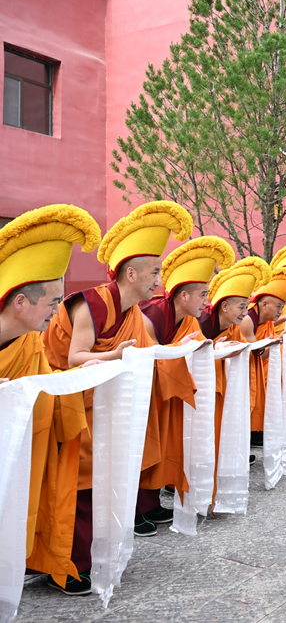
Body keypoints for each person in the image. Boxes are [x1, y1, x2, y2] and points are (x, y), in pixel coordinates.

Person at [42, 201, 193, 573]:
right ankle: (66, 562)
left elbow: (147, 352)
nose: (160, 281)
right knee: (77, 482)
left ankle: (88, 556)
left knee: (100, 479)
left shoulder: (132, 315)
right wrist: (119, 356)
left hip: (101, 405)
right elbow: (77, 356)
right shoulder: (90, 304)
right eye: (155, 272)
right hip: (64, 401)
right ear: (130, 273)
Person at [0, 204, 100, 596]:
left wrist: (85, 379)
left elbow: (44, 390)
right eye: (53, 302)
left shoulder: (29, 342)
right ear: (21, 302)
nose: (59, 312)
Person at [139, 236, 234, 519]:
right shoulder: (149, 316)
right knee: (147, 444)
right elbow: (149, 355)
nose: (207, 302)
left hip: (167, 392)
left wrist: (216, 348)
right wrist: (179, 349)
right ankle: (135, 510)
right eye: (203, 295)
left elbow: (196, 347)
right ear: (184, 296)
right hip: (146, 390)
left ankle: (151, 503)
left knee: (167, 444)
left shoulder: (189, 320)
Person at [198, 257, 272, 496]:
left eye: (246, 305)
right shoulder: (200, 323)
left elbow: (245, 353)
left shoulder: (232, 328)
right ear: (224, 306)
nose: (245, 311)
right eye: (241, 306)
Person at [244, 266, 286, 446]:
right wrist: (279, 339)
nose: (281, 310)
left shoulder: (264, 318)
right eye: (279, 306)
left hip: (261, 366)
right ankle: (252, 432)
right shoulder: (247, 320)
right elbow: (256, 356)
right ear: (264, 304)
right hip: (249, 369)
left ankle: (258, 430)